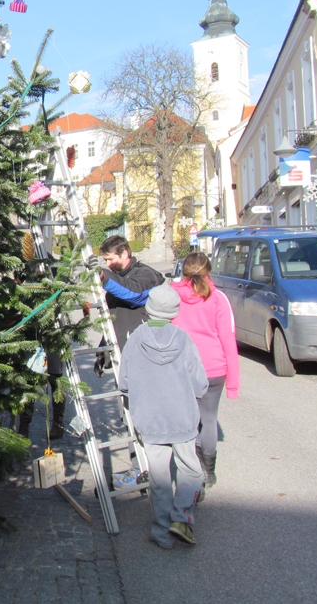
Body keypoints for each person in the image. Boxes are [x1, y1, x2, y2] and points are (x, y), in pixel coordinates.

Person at [119, 285, 208, 548]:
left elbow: (124, 382)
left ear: (148, 308)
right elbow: (200, 383)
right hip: (182, 417)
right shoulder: (183, 339)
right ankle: (181, 518)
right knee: (190, 469)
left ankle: (161, 533)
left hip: (150, 419)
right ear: (174, 312)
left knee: (158, 477)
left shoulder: (135, 339)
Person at [170, 252, 239, 495]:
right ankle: (208, 470)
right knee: (208, 419)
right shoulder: (218, 298)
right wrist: (233, 384)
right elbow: (228, 340)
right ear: (208, 272)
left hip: (180, 367)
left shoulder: (172, 296)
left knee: (185, 420)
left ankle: (189, 468)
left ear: (183, 272)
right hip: (213, 367)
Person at [85, 235, 165, 375]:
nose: (108, 264)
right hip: (123, 355)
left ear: (124, 254)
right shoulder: (118, 278)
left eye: (111, 259)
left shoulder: (146, 275)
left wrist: (103, 275)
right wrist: (103, 352)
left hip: (143, 353)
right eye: (105, 260)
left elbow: (134, 294)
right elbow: (114, 318)